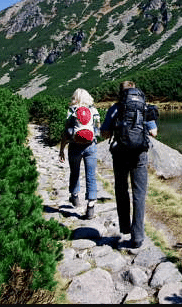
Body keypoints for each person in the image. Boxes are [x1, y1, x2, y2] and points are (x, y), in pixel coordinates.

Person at [100, 80, 158, 250]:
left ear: (121, 93)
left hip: (120, 154)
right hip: (139, 154)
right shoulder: (143, 107)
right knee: (139, 193)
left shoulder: (115, 108)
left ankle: (125, 227)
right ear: (136, 91)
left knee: (121, 188)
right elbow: (154, 133)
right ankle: (138, 237)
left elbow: (104, 133)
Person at [59, 88, 101, 219]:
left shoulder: (72, 111)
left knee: (75, 172)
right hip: (90, 146)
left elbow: (66, 131)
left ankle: (75, 197)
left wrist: (61, 149)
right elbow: (98, 128)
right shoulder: (93, 110)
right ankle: (91, 205)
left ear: (75, 98)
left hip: (74, 146)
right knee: (91, 176)